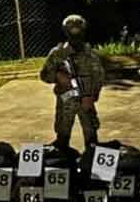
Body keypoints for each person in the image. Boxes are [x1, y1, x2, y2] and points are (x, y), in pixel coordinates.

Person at [39, 14, 106, 150]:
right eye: (72, 32)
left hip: (86, 101)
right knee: (62, 141)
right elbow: (44, 75)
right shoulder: (58, 53)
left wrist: (91, 97)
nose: (75, 37)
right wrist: (57, 76)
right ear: (66, 32)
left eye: (78, 32)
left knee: (92, 142)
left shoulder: (91, 55)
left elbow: (99, 78)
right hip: (65, 102)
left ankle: (90, 164)